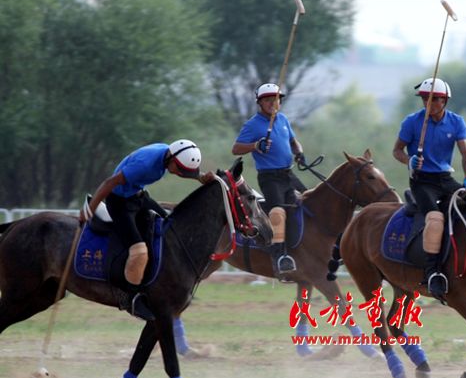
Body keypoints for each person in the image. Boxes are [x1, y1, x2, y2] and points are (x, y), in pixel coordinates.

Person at [79, 139, 215, 320]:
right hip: (119, 203)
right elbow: (109, 183)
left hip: (138, 197)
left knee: (170, 227)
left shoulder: (169, 154)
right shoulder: (145, 164)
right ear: (171, 158)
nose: (180, 174)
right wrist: (90, 209)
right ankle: (130, 298)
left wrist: (200, 177)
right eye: (180, 169)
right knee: (139, 252)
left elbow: (184, 169)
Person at [392, 78, 466, 300]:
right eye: (424, 99)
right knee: (436, 219)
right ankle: (433, 273)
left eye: (434, 99)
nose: (428, 103)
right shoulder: (412, 122)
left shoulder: (457, 122)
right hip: (422, 181)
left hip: (445, 179)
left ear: (444, 100)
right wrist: (409, 161)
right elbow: (397, 151)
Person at [232, 83, 306, 281]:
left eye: (276, 99)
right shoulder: (252, 125)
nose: (273, 103)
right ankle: (280, 257)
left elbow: (293, 141)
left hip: (288, 174)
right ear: (260, 103)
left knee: (309, 201)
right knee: (277, 212)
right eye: (268, 100)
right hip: (269, 177)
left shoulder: (283, 119)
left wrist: (299, 152)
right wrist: (256, 145)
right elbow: (236, 148)